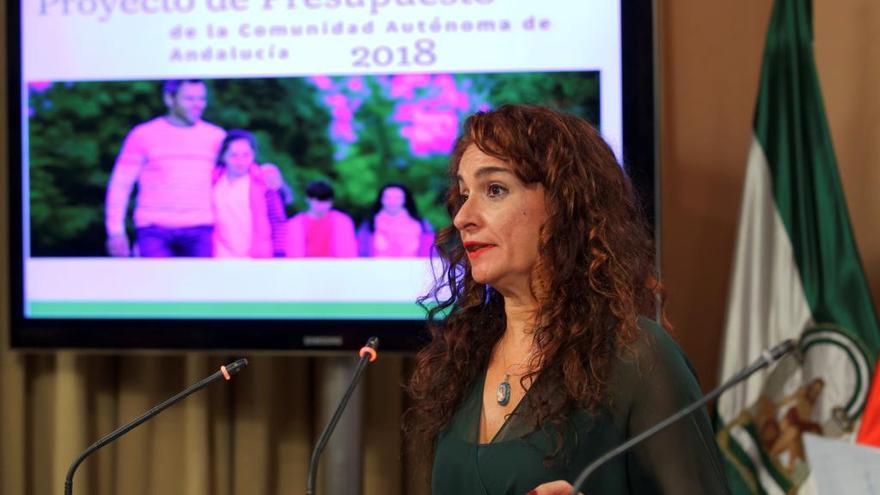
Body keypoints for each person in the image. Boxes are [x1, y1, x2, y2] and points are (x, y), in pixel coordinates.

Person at [404, 105, 729, 494]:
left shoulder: (637, 356)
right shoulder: (463, 360)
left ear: (564, 205)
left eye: (494, 190)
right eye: (462, 194)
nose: (462, 217)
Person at [105, 79, 225, 257]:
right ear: (169, 99)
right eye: (190, 99)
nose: (198, 104)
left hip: (200, 231)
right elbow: (120, 184)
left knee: (201, 285)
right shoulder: (142, 135)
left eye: (201, 98)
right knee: (155, 285)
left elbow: (237, 181)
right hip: (154, 231)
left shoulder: (217, 136)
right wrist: (115, 232)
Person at [212, 129, 287, 258]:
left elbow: (277, 221)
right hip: (219, 257)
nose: (240, 160)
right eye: (233, 155)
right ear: (223, 156)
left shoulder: (265, 181)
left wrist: (279, 254)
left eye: (246, 155)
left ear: (253, 155)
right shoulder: (213, 181)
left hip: (255, 259)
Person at [357, 183, 435, 257]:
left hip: (412, 269)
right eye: (387, 197)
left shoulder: (422, 226)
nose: (392, 201)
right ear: (381, 200)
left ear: (405, 200)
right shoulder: (368, 226)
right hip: (377, 269)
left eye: (397, 197)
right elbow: (360, 254)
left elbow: (431, 255)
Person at [286, 180, 357, 258]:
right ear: (308, 199)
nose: (322, 205)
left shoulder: (343, 222)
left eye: (325, 201)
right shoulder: (295, 224)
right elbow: (291, 254)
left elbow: (350, 252)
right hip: (304, 268)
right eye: (318, 200)